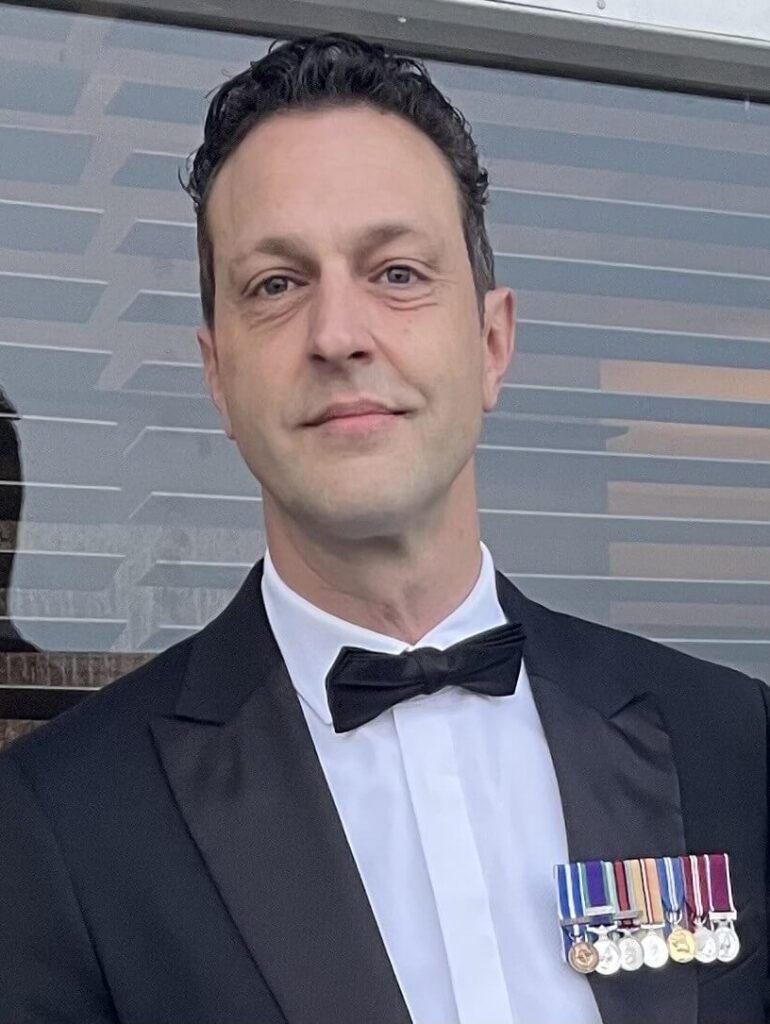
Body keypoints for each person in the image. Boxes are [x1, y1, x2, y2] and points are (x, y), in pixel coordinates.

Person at [0, 32, 767, 1024]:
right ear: (217, 376)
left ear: (491, 342)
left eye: (397, 272)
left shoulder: (731, 745)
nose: (337, 334)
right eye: (276, 285)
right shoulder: (64, 823)